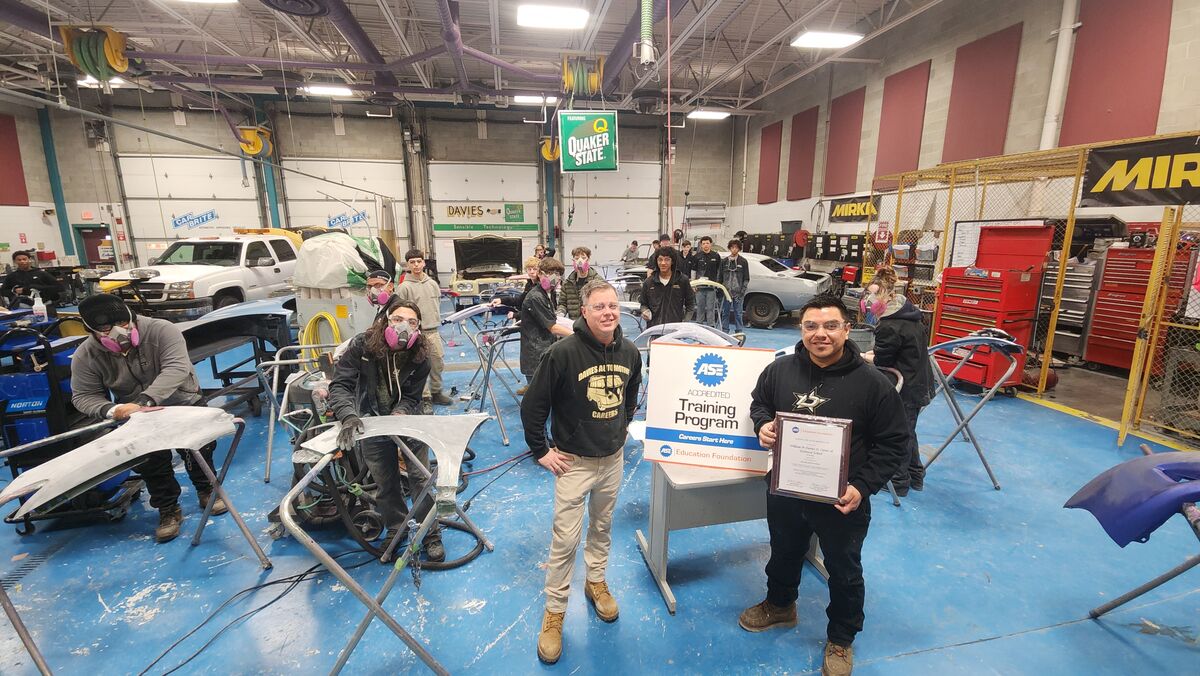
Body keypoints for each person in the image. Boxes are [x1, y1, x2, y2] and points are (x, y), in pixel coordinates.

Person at [740, 295, 908, 676]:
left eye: (831, 326)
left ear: (848, 330)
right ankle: (781, 606)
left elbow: (895, 442)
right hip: (786, 488)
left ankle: (842, 638)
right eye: (811, 326)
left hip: (842, 498)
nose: (821, 334)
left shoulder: (873, 384)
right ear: (801, 330)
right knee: (783, 551)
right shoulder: (779, 370)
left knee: (844, 568)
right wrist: (762, 424)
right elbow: (759, 404)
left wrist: (863, 487)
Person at [521, 279, 642, 665]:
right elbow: (533, 407)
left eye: (613, 306)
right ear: (584, 312)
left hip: (612, 458)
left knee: (602, 528)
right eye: (599, 307)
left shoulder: (629, 352)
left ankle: (595, 582)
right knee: (565, 541)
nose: (608, 312)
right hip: (573, 463)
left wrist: (620, 430)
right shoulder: (562, 354)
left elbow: (631, 394)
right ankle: (555, 612)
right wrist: (541, 450)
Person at [70, 294, 227, 543]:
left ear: (131, 316)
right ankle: (168, 509)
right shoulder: (86, 355)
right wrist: (113, 410)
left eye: (123, 323)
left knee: (199, 449)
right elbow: (83, 396)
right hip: (136, 417)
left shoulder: (161, 330)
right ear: (91, 331)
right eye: (106, 329)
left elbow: (176, 367)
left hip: (182, 401)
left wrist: (144, 401)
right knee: (150, 463)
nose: (118, 332)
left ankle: (207, 490)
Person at [326, 297, 445, 562]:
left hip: (409, 421)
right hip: (371, 423)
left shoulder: (421, 355)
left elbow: (413, 396)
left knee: (421, 479)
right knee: (385, 481)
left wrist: (401, 412)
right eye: (398, 320)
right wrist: (348, 416)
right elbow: (341, 385)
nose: (404, 327)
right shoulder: (362, 346)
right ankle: (396, 527)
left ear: (418, 329)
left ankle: (430, 533)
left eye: (412, 323)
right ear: (385, 321)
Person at [861, 267, 933, 496]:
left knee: (899, 433)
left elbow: (883, 360)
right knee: (908, 431)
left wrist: (865, 356)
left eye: (873, 295)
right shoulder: (909, 314)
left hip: (907, 387)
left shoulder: (889, 324)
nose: (869, 301)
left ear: (886, 296)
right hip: (920, 383)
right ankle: (916, 475)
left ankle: (899, 483)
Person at [395, 249, 451, 409]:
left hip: (433, 331)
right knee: (420, 365)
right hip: (416, 333)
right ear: (408, 265)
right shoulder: (404, 287)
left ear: (424, 263)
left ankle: (436, 392)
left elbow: (436, 306)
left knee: (437, 362)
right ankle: (425, 398)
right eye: (412, 262)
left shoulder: (433, 284)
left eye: (419, 261)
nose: (416, 265)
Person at [518, 257, 572, 395]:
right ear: (540, 274)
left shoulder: (546, 294)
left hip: (544, 350)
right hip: (536, 354)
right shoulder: (536, 297)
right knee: (539, 398)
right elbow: (552, 327)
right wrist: (577, 334)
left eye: (557, 274)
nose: (554, 278)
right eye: (549, 274)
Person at [639, 246, 695, 328]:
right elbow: (643, 304)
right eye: (660, 259)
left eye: (667, 259)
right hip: (654, 328)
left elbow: (690, 304)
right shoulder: (649, 282)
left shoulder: (682, 280)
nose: (663, 263)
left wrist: (685, 322)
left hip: (675, 329)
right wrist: (645, 311)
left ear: (672, 261)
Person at [558, 247, 600, 320]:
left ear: (588, 259)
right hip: (574, 323)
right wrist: (560, 313)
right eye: (577, 258)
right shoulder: (568, 283)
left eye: (583, 258)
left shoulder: (597, 282)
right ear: (573, 260)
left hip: (592, 323)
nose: (580, 261)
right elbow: (562, 303)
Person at [719, 239, 750, 333]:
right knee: (725, 313)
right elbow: (720, 277)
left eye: (736, 247)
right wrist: (721, 290)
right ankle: (725, 331)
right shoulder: (724, 261)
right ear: (729, 248)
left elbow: (746, 278)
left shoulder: (743, 262)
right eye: (732, 247)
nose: (734, 249)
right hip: (726, 292)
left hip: (738, 293)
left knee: (738, 313)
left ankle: (739, 331)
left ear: (739, 249)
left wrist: (742, 292)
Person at [692, 236, 723, 329]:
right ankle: (699, 326)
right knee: (700, 308)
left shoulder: (716, 256)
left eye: (707, 243)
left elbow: (719, 271)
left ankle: (711, 327)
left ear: (711, 244)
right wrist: (693, 285)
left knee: (710, 308)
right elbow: (693, 271)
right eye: (704, 243)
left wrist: (718, 284)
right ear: (701, 245)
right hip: (700, 288)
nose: (706, 245)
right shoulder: (697, 256)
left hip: (711, 288)